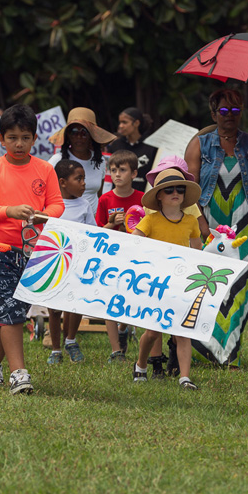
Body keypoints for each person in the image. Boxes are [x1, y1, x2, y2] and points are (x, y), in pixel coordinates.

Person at [184, 88, 248, 367]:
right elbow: (189, 191)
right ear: (213, 113)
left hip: (245, 224)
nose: (230, 117)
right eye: (224, 111)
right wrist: (202, 225)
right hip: (208, 222)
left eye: (236, 111)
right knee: (207, 284)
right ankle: (207, 345)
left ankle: (229, 354)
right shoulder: (200, 144)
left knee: (239, 284)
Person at [0, 104, 65, 395]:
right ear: (1, 139)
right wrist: (10, 211)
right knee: (11, 310)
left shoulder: (44, 169)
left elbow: (57, 204)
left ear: (33, 139)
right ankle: (19, 374)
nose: (18, 143)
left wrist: (43, 215)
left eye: (24, 137)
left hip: (33, 251)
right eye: (12, 137)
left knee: (14, 310)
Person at [132, 169, 203, 389]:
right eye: (169, 189)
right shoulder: (150, 220)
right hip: (156, 284)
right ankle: (140, 365)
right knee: (153, 332)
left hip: (181, 283)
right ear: (159, 196)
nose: (175, 193)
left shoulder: (191, 221)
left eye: (180, 189)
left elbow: (197, 251)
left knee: (182, 331)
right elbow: (133, 244)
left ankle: (184, 377)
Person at [95, 150, 145, 363]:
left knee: (131, 298)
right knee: (109, 301)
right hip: (111, 257)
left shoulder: (143, 199)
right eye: (113, 170)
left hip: (134, 257)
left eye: (122, 170)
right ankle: (116, 350)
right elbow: (98, 231)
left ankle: (124, 329)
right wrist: (112, 223)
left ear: (134, 173)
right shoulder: (105, 199)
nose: (117, 174)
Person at [46, 159, 96, 365]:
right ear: (63, 182)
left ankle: (71, 340)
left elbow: (93, 232)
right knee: (54, 309)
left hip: (78, 264)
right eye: (79, 178)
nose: (84, 183)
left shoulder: (84, 205)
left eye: (84, 178)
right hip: (55, 264)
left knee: (74, 305)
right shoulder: (50, 205)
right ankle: (55, 349)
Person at [47, 107, 117, 214]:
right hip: (63, 221)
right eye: (74, 132)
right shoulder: (57, 160)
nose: (79, 136)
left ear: (91, 136)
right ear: (68, 136)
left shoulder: (100, 161)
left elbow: (99, 195)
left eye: (84, 132)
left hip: (91, 223)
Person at [107, 107, 158, 192]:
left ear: (136, 123)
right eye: (120, 122)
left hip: (144, 198)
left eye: (124, 122)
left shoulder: (152, 146)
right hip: (119, 197)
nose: (120, 126)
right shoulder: (116, 145)